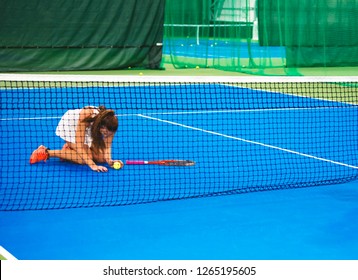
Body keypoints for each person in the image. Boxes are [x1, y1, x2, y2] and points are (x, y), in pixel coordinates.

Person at [29, 106, 123, 172]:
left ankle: (69, 149)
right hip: (72, 126)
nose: (106, 135)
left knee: (101, 158)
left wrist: (109, 160)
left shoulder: (112, 124)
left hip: (88, 129)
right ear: (101, 127)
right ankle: (46, 152)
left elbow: (107, 146)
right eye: (105, 133)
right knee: (86, 158)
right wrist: (93, 165)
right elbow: (79, 146)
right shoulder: (87, 114)